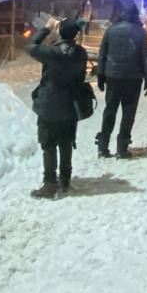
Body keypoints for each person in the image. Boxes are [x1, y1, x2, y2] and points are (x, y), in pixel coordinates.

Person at [26, 17, 90, 198]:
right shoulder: (80, 53)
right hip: (71, 103)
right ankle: (65, 179)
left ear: (60, 32)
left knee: (48, 144)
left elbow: (31, 47)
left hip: (50, 104)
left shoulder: (51, 52)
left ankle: (49, 183)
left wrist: (46, 29)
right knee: (66, 141)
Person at [95, 1, 147, 159]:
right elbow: (145, 57)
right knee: (128, 112)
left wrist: (101, 74)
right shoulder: (140, 32)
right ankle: (122, 147)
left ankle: (103, 145)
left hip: (113, 77)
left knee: (110, 110)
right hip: (133, 78)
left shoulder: (111, 30)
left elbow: (102, 54)